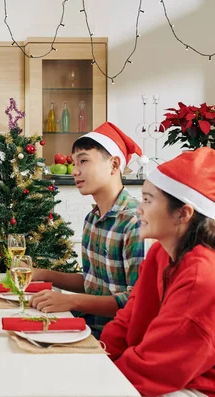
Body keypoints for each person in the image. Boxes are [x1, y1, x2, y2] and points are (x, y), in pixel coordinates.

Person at [101, 148, 215, 397]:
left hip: (203, 389)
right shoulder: (160, 253)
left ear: (183, 213)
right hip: (162, 374)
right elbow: (128, 317)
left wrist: (101, 379)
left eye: (148, 200)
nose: (139, 209)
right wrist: (100, 354)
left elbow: (159, 366)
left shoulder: (202, 276)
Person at [31, 122, 145, 338]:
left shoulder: (135, 222)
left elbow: (135, 302)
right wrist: (42, 274)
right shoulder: (92, 219)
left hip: (115, 339)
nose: (74, 171)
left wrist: (70, 300)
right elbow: (92, 282)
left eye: (83, 161)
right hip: (85, 328)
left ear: (113, 165)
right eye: (74, 163)